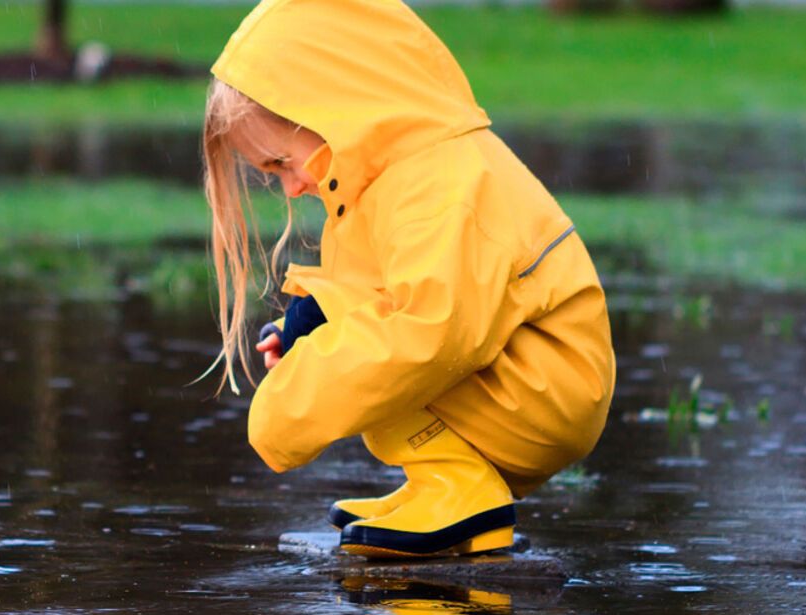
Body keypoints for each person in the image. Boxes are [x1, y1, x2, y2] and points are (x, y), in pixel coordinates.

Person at [202, 0, 616, 558]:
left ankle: (463, 495)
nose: (291, 187)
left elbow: (431, 334)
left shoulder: (438, 182)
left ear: (332, 109)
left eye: (281, 164)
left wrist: (290, 408)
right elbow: (380, 285)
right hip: (523, 381)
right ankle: (441, 485)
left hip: (544, 395)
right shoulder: (390, 177)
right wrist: (309, 322)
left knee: (383, 371)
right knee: (370, 367)